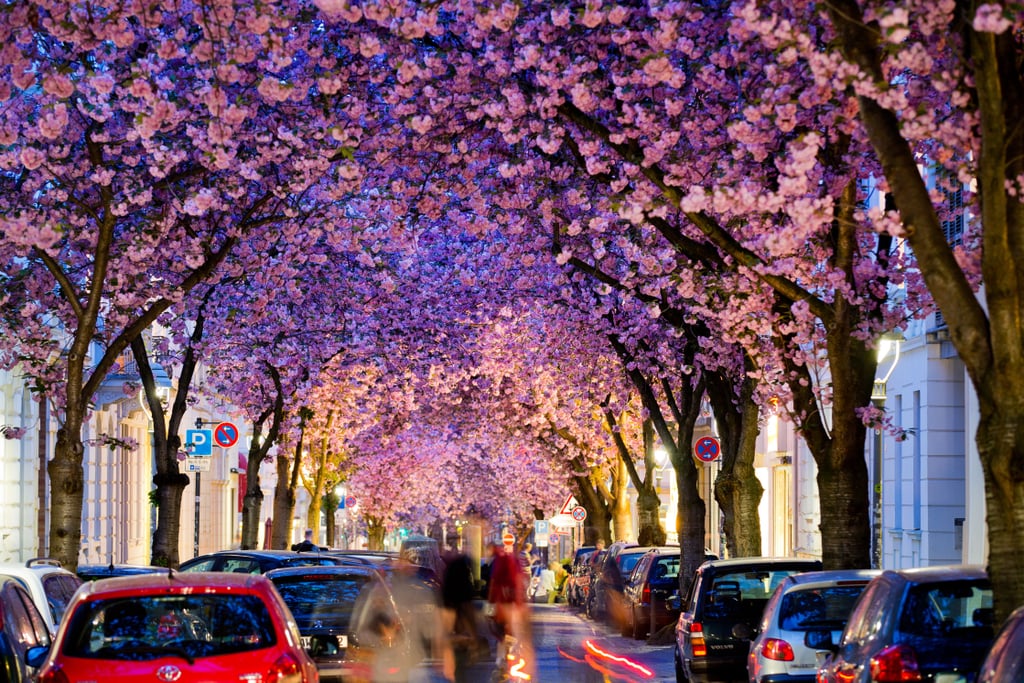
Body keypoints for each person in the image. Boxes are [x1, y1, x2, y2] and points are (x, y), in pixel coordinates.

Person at [441, 553, 482, 683]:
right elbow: (470, 617)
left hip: (451, 645)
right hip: (461, 645)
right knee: (461, 674)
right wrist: (474, 640)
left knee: (457, 675)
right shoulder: (464, 597)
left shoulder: (445, 597)